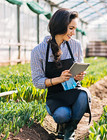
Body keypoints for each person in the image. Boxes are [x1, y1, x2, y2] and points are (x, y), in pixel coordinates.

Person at [30, 8, 91, 140]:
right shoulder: (38, 51)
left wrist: (79, 76)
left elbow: (79, 68)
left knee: (84, 94)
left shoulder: (75, 45)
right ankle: (63, 125)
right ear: (60, 26)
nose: (73, 33)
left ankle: (70, 130)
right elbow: (37, 82)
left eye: (75, 28)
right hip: (55, 96)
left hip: (73, 92)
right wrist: (59, 79)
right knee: (62, 115)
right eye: (71, 28)